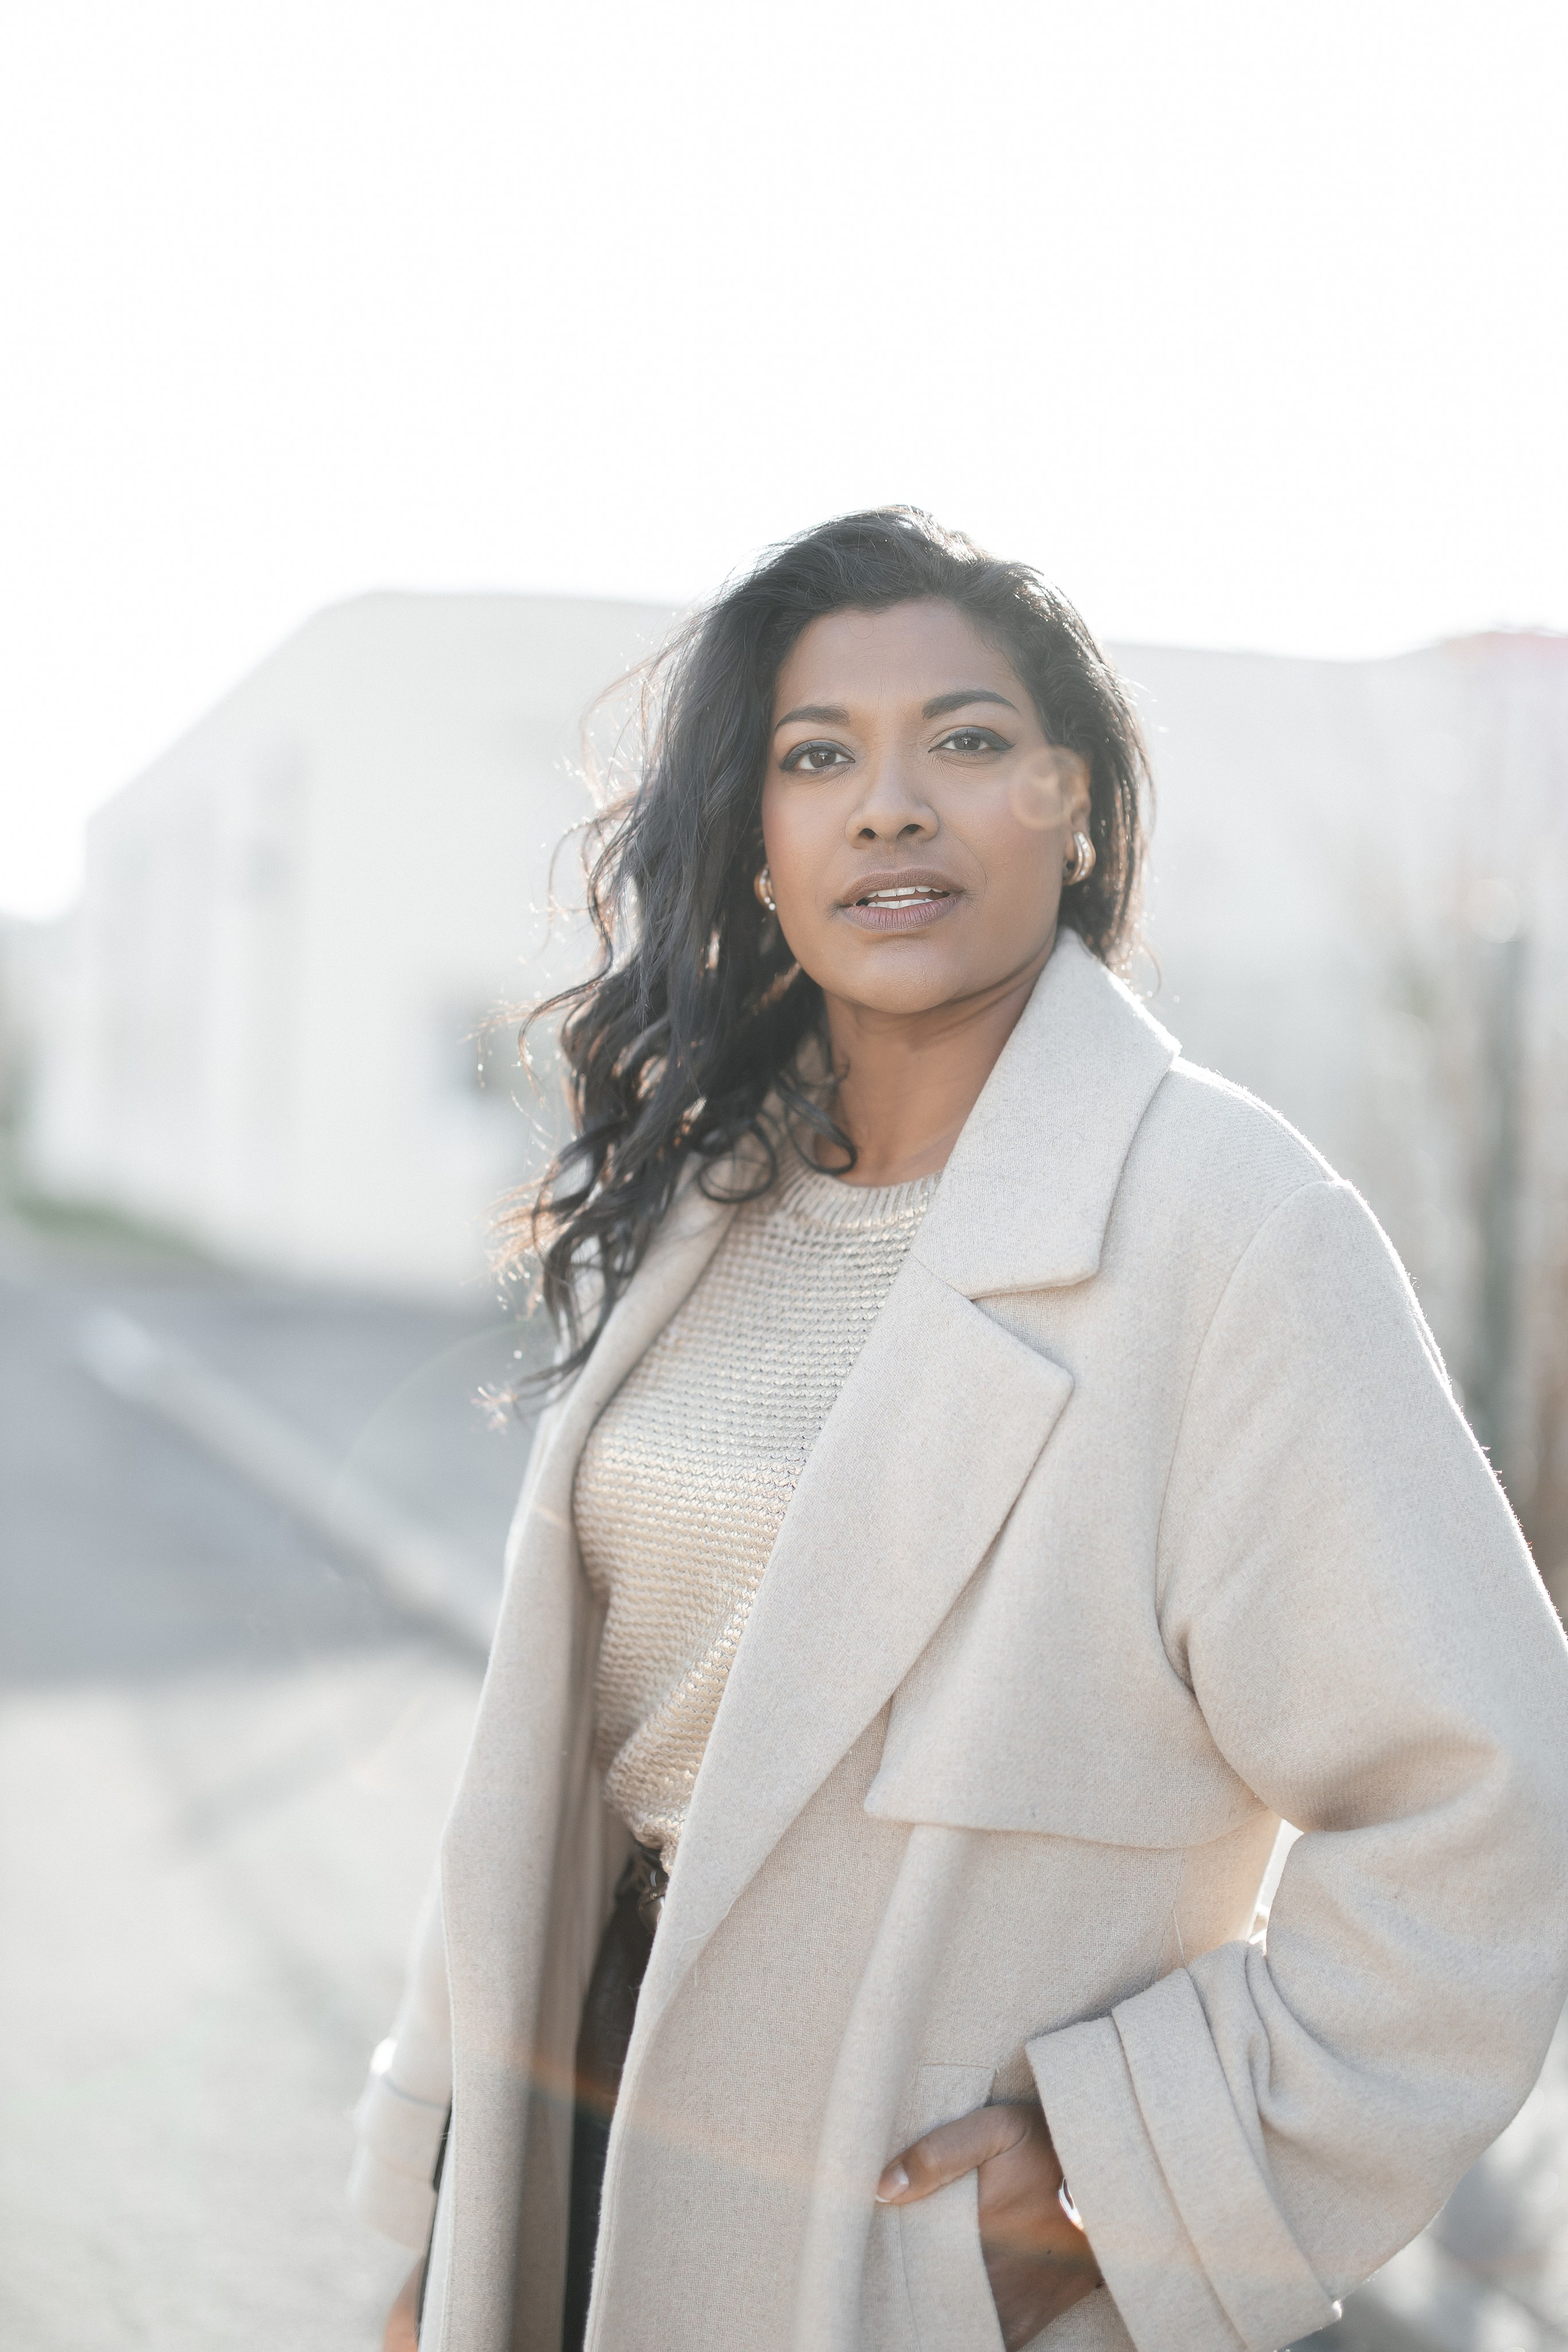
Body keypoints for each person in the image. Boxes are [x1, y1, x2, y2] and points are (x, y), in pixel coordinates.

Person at [351, 509, 1568, 2352]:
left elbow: (1487, 1797)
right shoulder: (717, 1204)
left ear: (1073, 805)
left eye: (970, 742)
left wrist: (1134, 2177)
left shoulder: (1231, 1227)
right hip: (583, 2134)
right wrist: (445, 2207)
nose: (891, 804)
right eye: (817, 755)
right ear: (755, 845)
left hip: (906, 2237)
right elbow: (562, 1764)